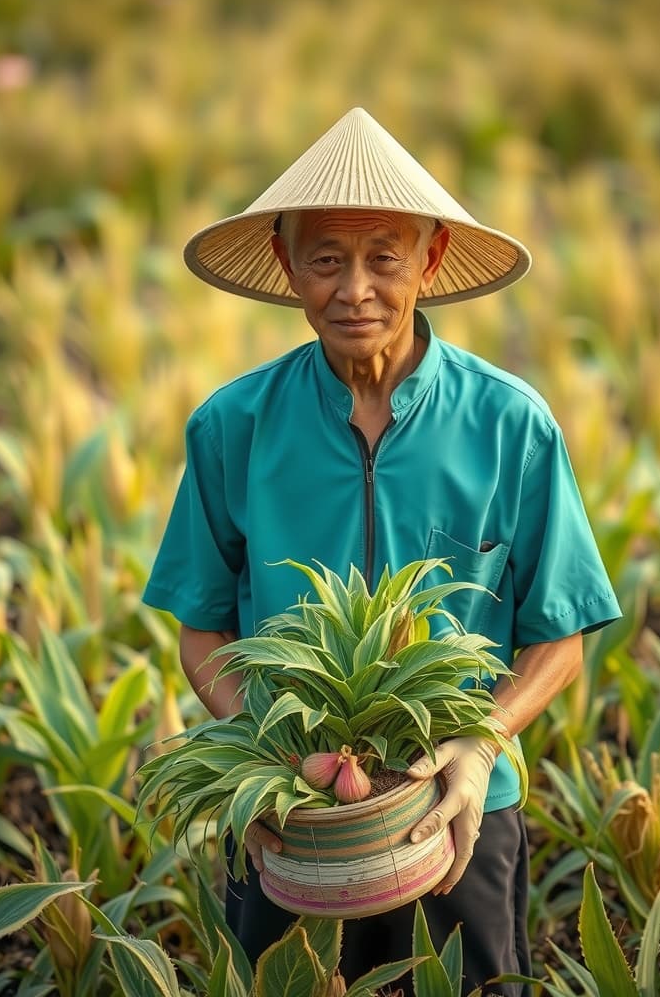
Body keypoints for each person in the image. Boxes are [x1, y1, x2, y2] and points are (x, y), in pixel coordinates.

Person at [143, 108, 621, 996]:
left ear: (430, 263)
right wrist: (262, 750)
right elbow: (202, 631)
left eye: (383, 259)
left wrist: (479, 746)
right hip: (292, 819)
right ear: (288, 267)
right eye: (326, 259)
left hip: (455, 814)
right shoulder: (232, 427)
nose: (354, 288)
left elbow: (561, 639)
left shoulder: (509, 424)